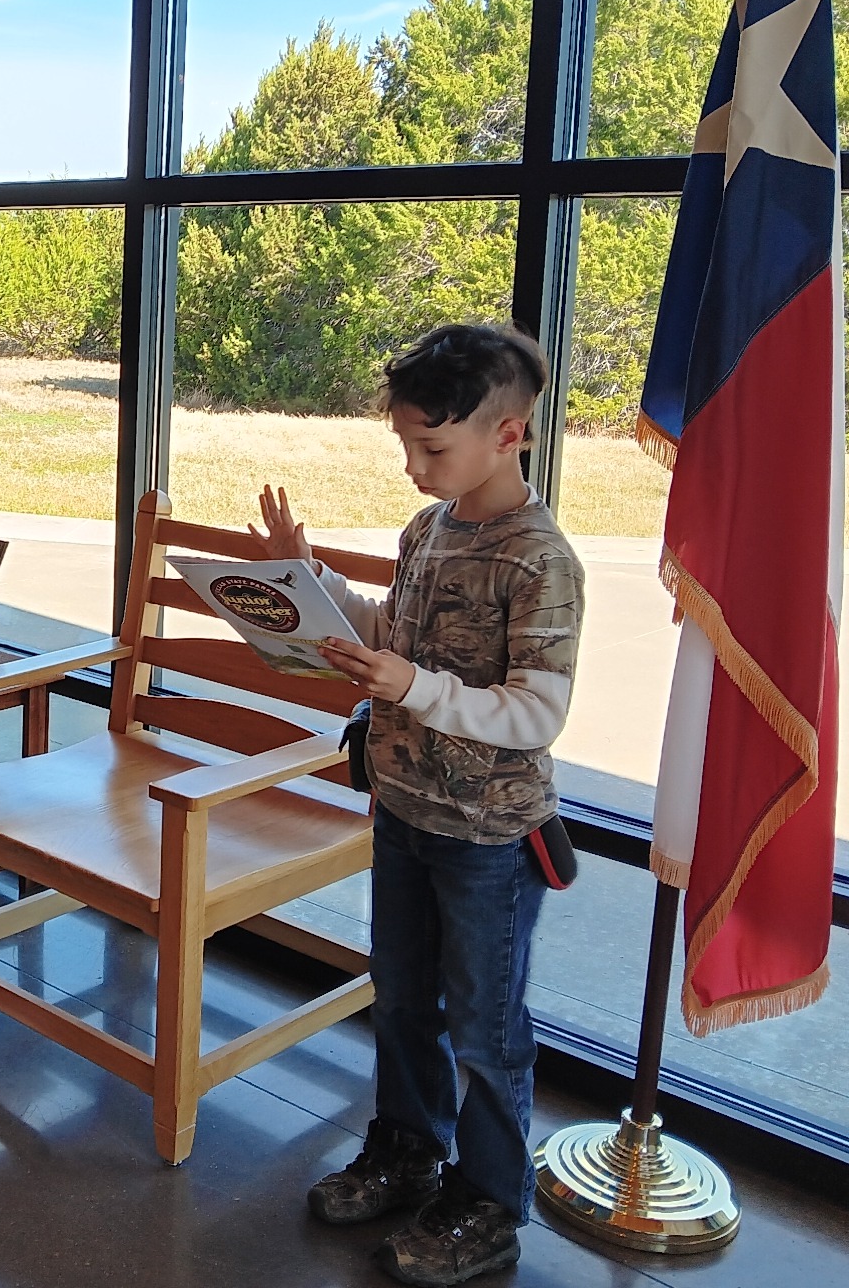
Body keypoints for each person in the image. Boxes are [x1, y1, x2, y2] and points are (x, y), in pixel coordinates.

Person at [251, 324, 585, 1288]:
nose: (413, 466)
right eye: (405, 443)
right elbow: (390, 635)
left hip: (489, 837)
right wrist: (308, 579)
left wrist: (411, 686)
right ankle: (407, 1149)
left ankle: (489, 1203)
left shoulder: (539, 559)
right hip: (403, 810)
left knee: (485, 1029)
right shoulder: (427, 530)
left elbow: (539, 711)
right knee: (401, 1000)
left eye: (431, 447)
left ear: (509, 434)